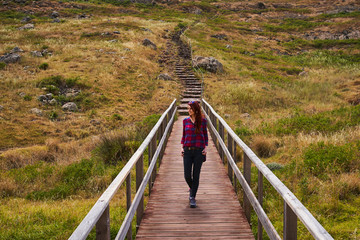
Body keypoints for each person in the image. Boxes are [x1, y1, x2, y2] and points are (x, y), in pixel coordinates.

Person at [181, 101, 208, 208]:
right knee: (187, 175)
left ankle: (192, 197)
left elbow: (205, 136)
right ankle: (192, 188)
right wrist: (181, 147)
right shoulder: (185, 121)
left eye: (190, 109)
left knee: (196, 175)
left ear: (196, 110)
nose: (189, 111)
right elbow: (183, 136)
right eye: (188, 108)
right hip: (187, 150)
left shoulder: (203, 121)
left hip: (198, 151)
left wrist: (205, 148)